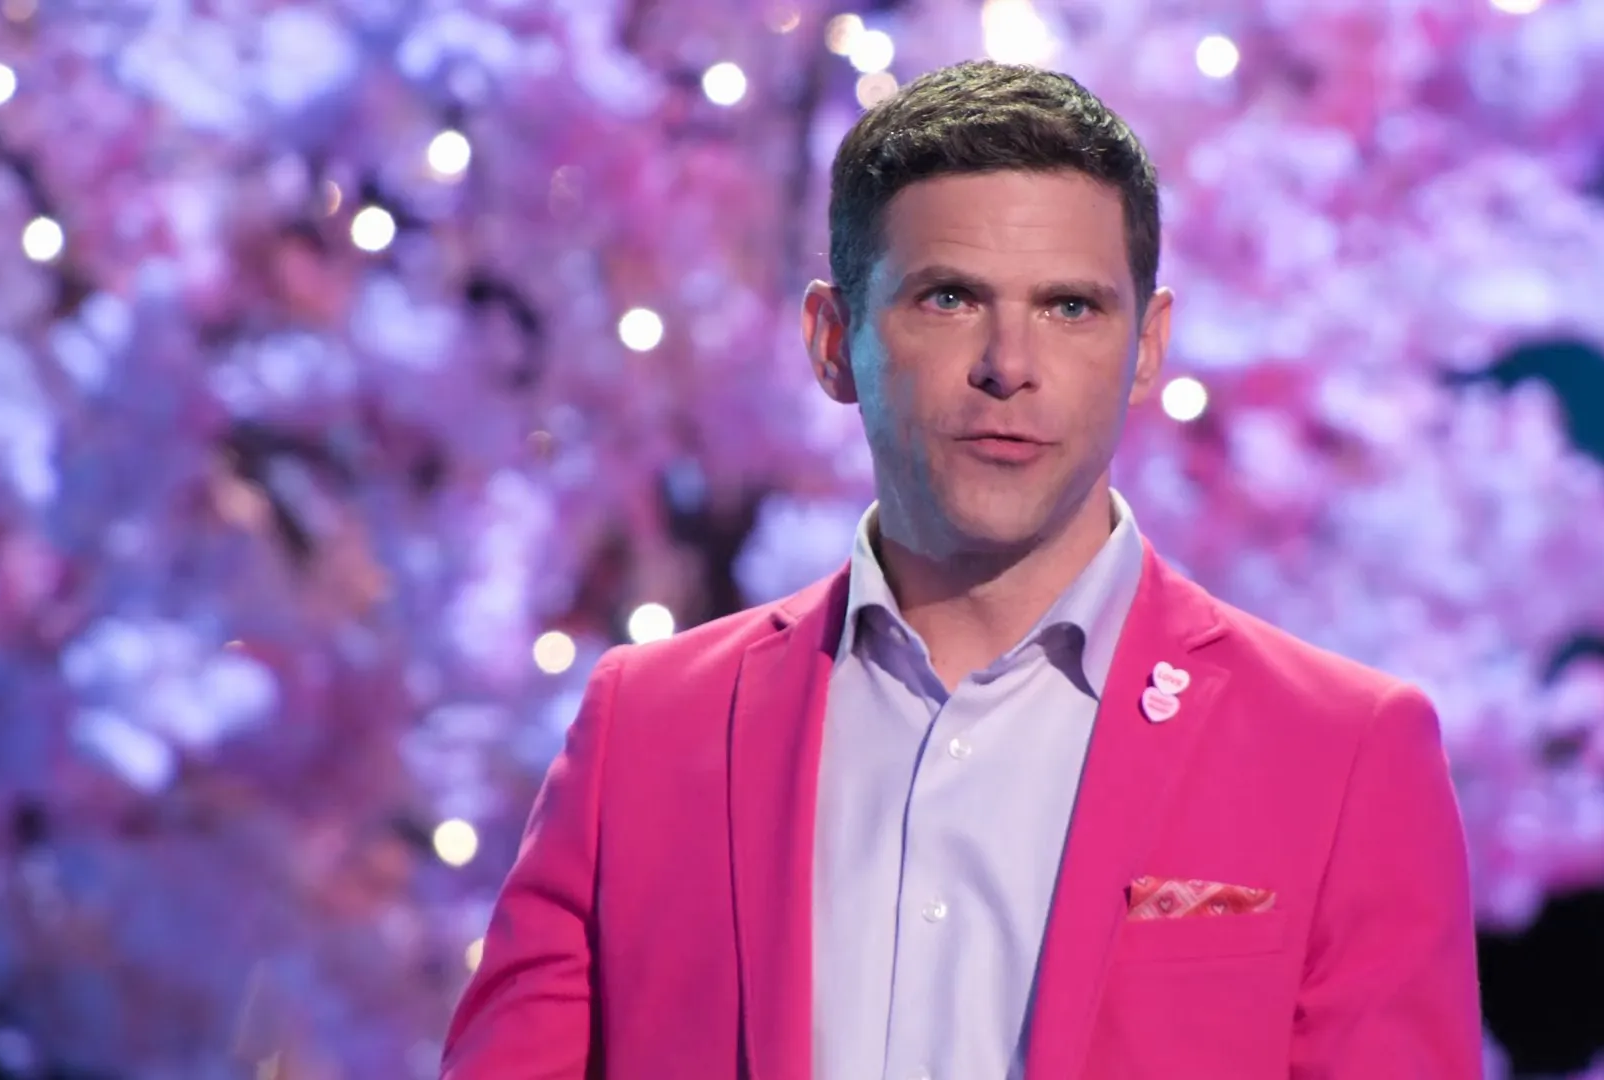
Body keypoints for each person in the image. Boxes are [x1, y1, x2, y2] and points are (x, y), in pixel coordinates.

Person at [441, 60, 1481, 1080]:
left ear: (1148, 346)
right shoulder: (648, 729)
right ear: (833, 341)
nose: (1009, 365)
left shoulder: (1344, 752)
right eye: (948, 299)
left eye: (1070, 307)